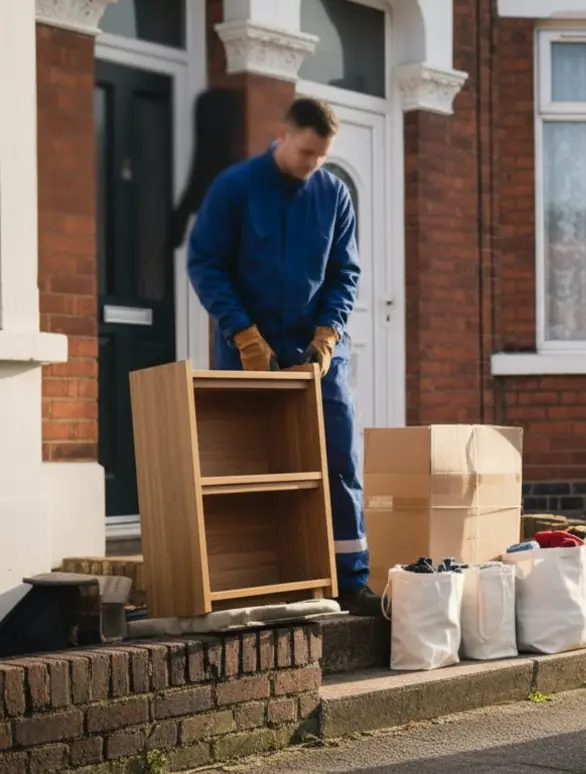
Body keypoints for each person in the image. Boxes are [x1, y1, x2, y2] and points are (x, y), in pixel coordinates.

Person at [186, 97, 379, 617]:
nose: (313, 163)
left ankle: (350, 579)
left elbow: (345, 273)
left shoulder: (334, 194)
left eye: (322, 155)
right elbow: (206, 264)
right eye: (307, 152)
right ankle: (259, 578)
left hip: (318, 354)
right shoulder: (235, 188)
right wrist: (243, 334)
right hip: (248, 352)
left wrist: (328, 335)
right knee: (249, 468)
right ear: (284, 134)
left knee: (337, 459)